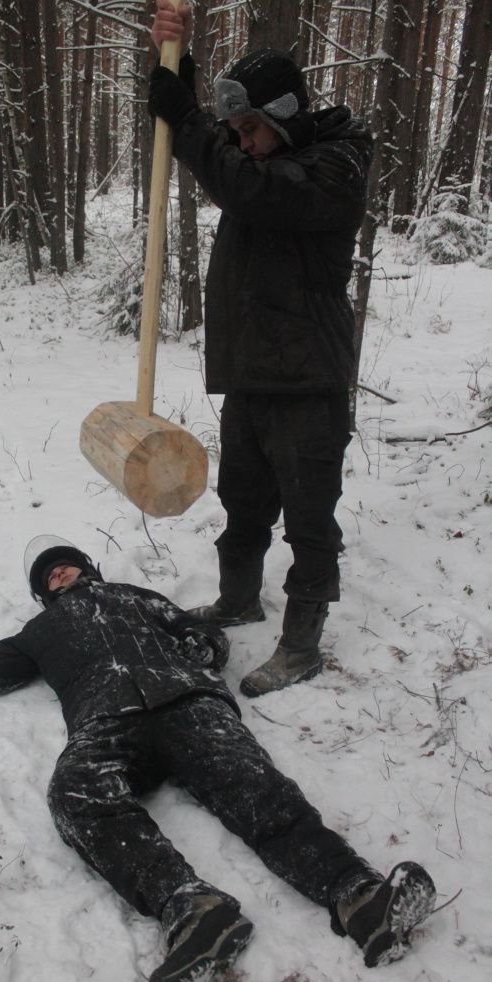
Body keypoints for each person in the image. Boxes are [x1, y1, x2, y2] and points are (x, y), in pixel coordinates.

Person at [0, 536, 436, 982]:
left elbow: (200, 632)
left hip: (187, 702)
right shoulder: (36, 635)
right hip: (107, 722)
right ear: (42, 593)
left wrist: (201, 647)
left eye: (66, 563)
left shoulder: (133, 597)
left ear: (88, 569)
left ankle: (360, 896)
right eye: (49, 574)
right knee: (75, 793)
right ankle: (192, 911)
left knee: (257, 791)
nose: (60, 572)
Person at [148, 2, 374, 696]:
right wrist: (175, 67)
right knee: (243, 502)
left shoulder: (334, 166)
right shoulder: (266, 160)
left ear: (282, 116)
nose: (240, 142)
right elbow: (227, 162)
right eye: (235, 129)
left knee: (309, 518)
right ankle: (239, 599)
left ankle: (301, 644)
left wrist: (188, 120)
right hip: (253, 374)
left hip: (308, 380)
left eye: (249, 128)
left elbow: (249, 188)